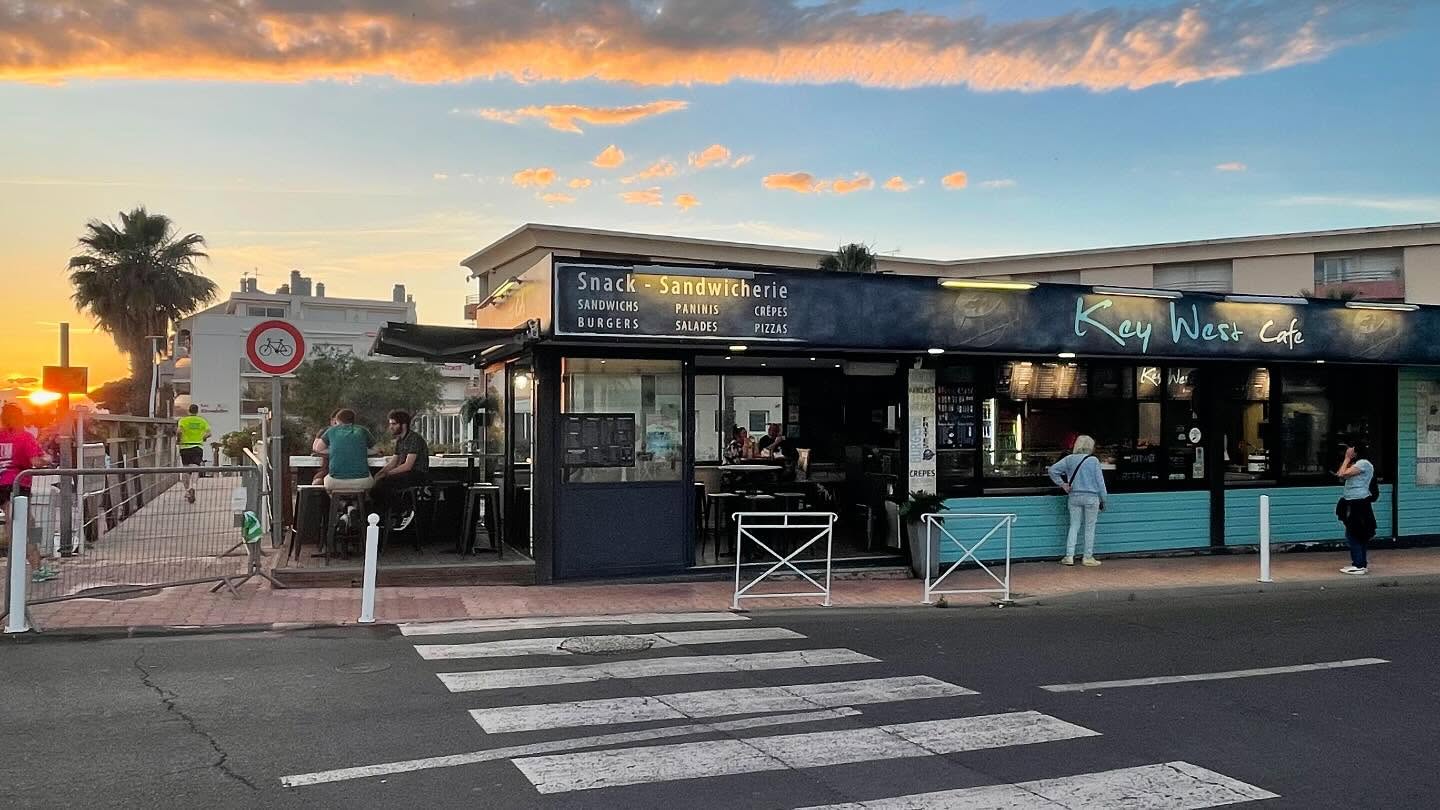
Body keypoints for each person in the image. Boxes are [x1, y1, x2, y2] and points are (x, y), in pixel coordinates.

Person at [0, 403, 56, 583]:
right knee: (24, 527)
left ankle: (38, 564)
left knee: (27, 524)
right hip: (18, 485)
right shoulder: (24, 437)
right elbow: (35, 461)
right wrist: (48, 458)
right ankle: (35, 568)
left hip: (2, 484)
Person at [1048, 434, 1108, 567]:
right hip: (1091, 497)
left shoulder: (1069, 459)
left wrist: (1063, 485)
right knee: (1089, 528)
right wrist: (1104, 499)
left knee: (1074, 526)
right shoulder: (1093, 461)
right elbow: (1100, 482)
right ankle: (1087, 557)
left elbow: (1052, 470)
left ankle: (1069, 556)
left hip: (1074, 496)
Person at [373, 410, 430, 529]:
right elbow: (394, 461)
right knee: (376, 487)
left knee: (384, 484)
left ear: (403, 425)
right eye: (390, 424)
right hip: (406, 473)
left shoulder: (414, 439)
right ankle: (387, 516)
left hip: (417, 474)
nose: (391, 427)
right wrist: (379, 473)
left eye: (394, 424)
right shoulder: (400, 440)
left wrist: (387, 474)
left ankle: (405, 510)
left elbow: (408, 465)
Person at [1335, 439, 1377, 576]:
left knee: (1353, 533)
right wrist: (1347, 462)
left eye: (1351, 449)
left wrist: (1347, 458)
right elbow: (1340, 475)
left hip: (1359, 502)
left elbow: (1343, 474)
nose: (1349, 451)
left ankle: (1359, 564)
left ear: (1356, 451)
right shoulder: (1356, 464)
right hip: (1352, 501)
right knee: (1357, 532)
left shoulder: (1363, 463)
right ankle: (1360, 563)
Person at [315, 408, 375, 493]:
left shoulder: (331, 430)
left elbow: (318, 448)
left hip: (335, 481)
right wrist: (360, 450)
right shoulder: (362, 430)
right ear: (353, 420)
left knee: (327, 482)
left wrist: (334, 450)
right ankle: (361, 501)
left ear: (338, 420)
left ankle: (336, 500)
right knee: (370, 483)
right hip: (362, 480)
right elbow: (376, 449)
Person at [176, 404, 211, 504]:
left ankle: (187, 490)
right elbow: (209, 433)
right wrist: (203, 438)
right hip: (197, 447)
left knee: (186, 469)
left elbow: (179, 431)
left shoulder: (183, 420)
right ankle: (193, 486)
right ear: (197, 411)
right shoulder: (202, 421)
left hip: (185, 447)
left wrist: (178, 440)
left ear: (189, 411)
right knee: (195, 468)